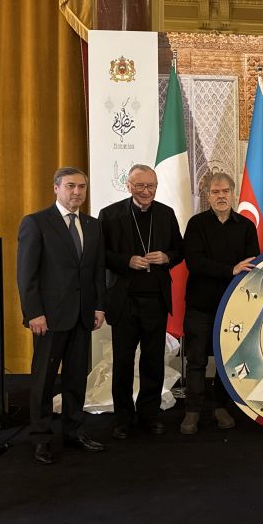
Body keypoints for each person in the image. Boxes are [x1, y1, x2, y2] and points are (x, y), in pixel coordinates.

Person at [17, 167, 107, 464]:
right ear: (56, 188)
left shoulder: (92, 225)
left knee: (76, 378)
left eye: (81, 187)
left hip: (82, 316)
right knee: (43, 380)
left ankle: (73, 431)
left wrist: (98, 307)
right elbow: (26, 274)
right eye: (70, 186)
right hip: (49, 318)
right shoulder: (36, 223)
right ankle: (41, 438)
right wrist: (34, 313)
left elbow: (97, 271)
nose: (77, 192)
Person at [98, 164, 183, 440]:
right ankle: (123, 418)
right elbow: (100, 255)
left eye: (151, 186)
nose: (146, 191)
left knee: (153, 361)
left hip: (155, 301)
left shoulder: (166, 214)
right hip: (124, 301)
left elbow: (179, 250)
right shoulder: (110, 215)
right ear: (129, 186)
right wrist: (126, 261)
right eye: (140, 186)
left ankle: (150, 415)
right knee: (123, 362)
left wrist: (167, 257)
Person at [180, 172, 260, 434]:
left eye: (225, 191)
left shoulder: (246, 226)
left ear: (233, 193)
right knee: (196, 359)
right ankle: (192, 410)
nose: (221, 196)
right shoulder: (196, 224)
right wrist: (230, 270)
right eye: (215, 192)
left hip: (234, 307)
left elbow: (252, 264)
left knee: (228, 360)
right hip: (200, 306)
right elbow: (194, 262)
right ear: (208, 196)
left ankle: (220, 407)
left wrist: (236, 270)